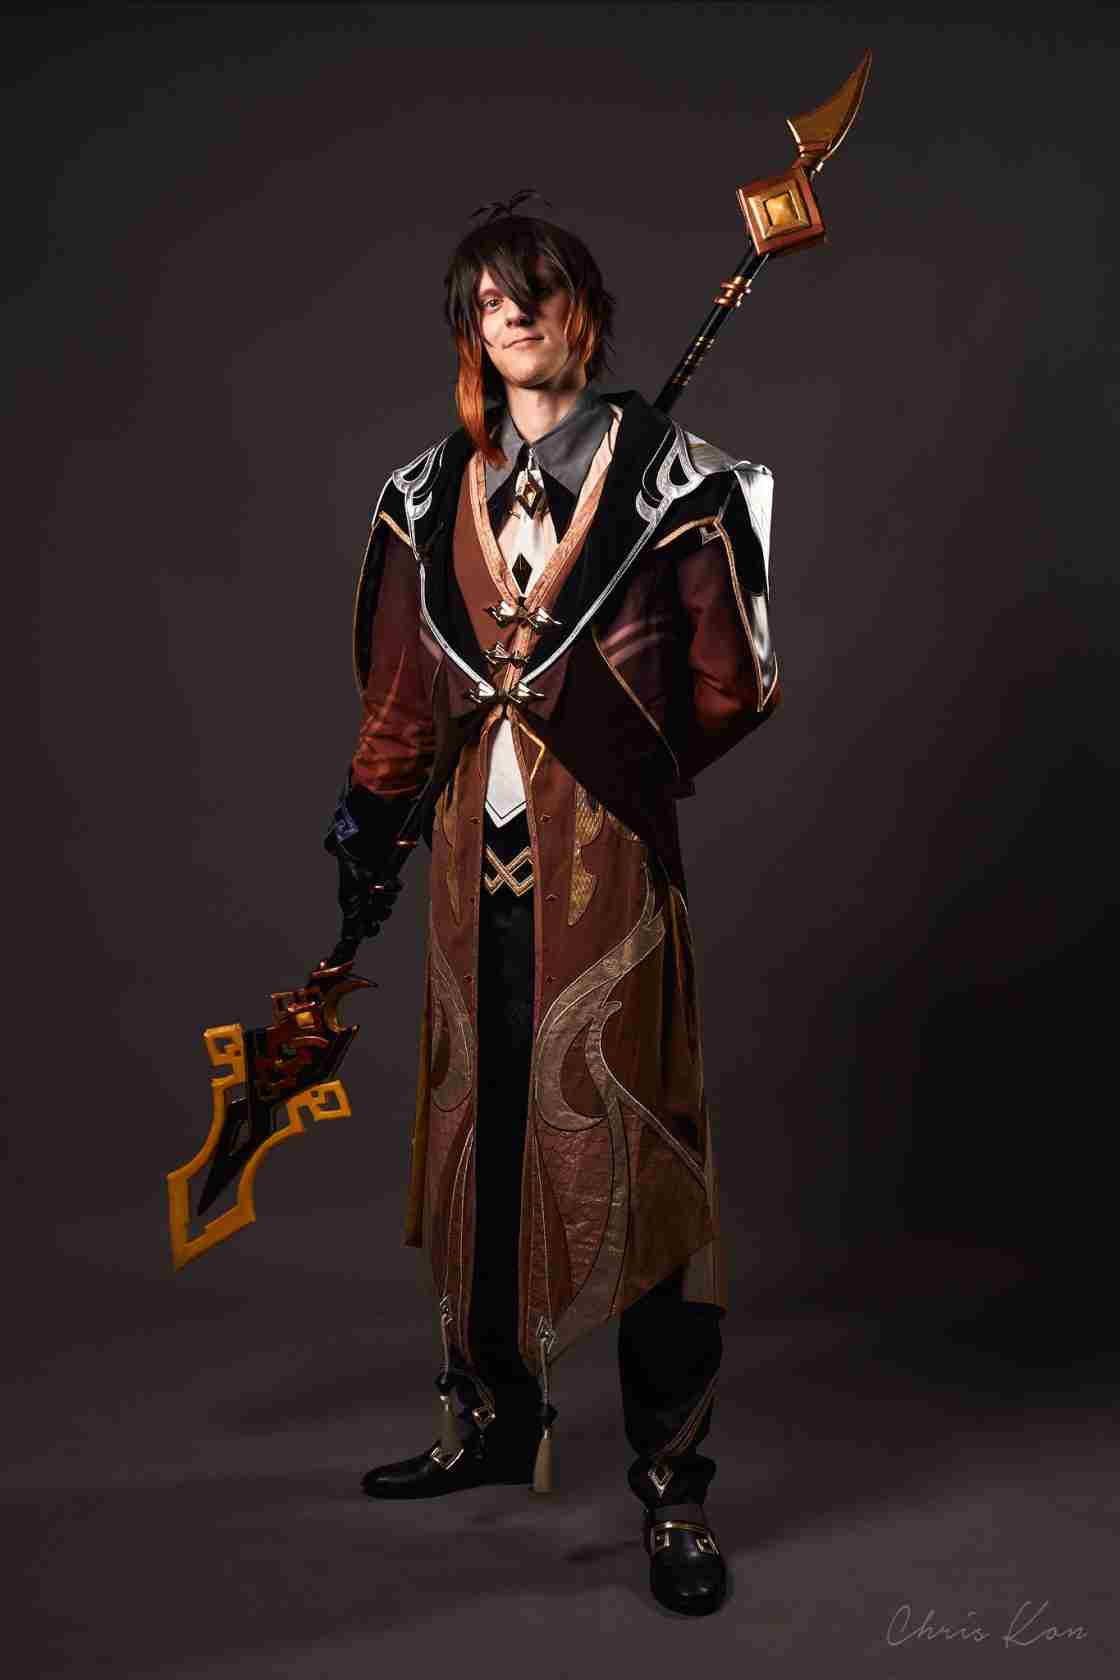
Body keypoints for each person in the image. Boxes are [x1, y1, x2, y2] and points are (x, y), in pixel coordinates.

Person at [322, 197, 781, 1617]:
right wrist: (368, 830)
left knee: (638, 1156)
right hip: (471, 867)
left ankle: (673, 1485)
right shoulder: (421, 495)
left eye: (534, 289)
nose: (511, 313)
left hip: (611, 864)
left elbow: (733, 683)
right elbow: (402, 698)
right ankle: (490, 1418)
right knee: (480, 1139)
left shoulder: (679, 480)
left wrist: (616, 749)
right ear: (469, 331)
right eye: (486, 299)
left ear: (582, 306)